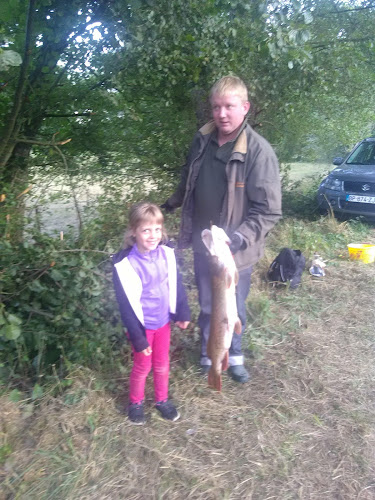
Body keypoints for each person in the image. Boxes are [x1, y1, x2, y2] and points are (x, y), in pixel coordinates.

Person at [161, 75, 282, 384]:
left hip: (236, 250)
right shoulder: (201, 139)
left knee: (233, 306)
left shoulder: (258, 151)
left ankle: (235, 357)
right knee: (206, 303)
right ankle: (208, 353)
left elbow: (268, 210)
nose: (222, 114)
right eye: (216, 107)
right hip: (205, 243)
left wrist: (239, 238)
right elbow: (188, 181)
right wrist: (169, 205)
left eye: (229, 106)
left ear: (245, 108)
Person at [112, 202, 191, 425]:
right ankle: (135, 403)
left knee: (162, 363)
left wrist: (181, 313)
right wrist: (137, 337)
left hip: (163, 323)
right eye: (146, 230)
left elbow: (176, 285)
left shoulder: (167, 255)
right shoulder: (125, 265)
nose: (152, 235)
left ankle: (162, 400)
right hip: (142, 327)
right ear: (134, 231)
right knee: (143, 366)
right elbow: (125, 306)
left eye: (157, 229)